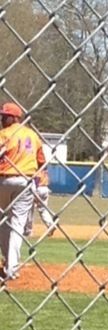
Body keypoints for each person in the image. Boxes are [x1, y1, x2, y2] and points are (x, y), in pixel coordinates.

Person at [0, 102, 46, 280]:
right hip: (25, 181)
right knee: (17, 224)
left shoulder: (4, 134)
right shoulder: (32, 135)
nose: (2, 119)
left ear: (15, 117)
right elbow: (42, 161)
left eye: (5, 116)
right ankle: (12, 267)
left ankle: (8, 263)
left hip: (3, 180)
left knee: (5, 222)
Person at [24, 169, 56, 237]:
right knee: (43, 210)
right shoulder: (45, 168)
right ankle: (50, 224)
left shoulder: (38, 168)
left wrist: (35, 192)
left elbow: (37, 179)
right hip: (45, 189)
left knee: (29, 209)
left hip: (38, 189)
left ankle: (28, 231)